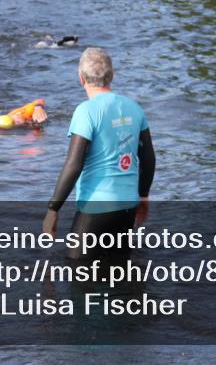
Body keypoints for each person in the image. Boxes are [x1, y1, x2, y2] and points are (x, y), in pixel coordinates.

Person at [43, 48, 156, 261]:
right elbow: (148, 158)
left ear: (81, 78)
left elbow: (74, 164)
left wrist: (53, 208)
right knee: (119, 268)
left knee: (77, 270)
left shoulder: (86, 111)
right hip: (127, 206)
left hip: (95, 207)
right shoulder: (134, 108)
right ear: (112, 75)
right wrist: (143, 196)